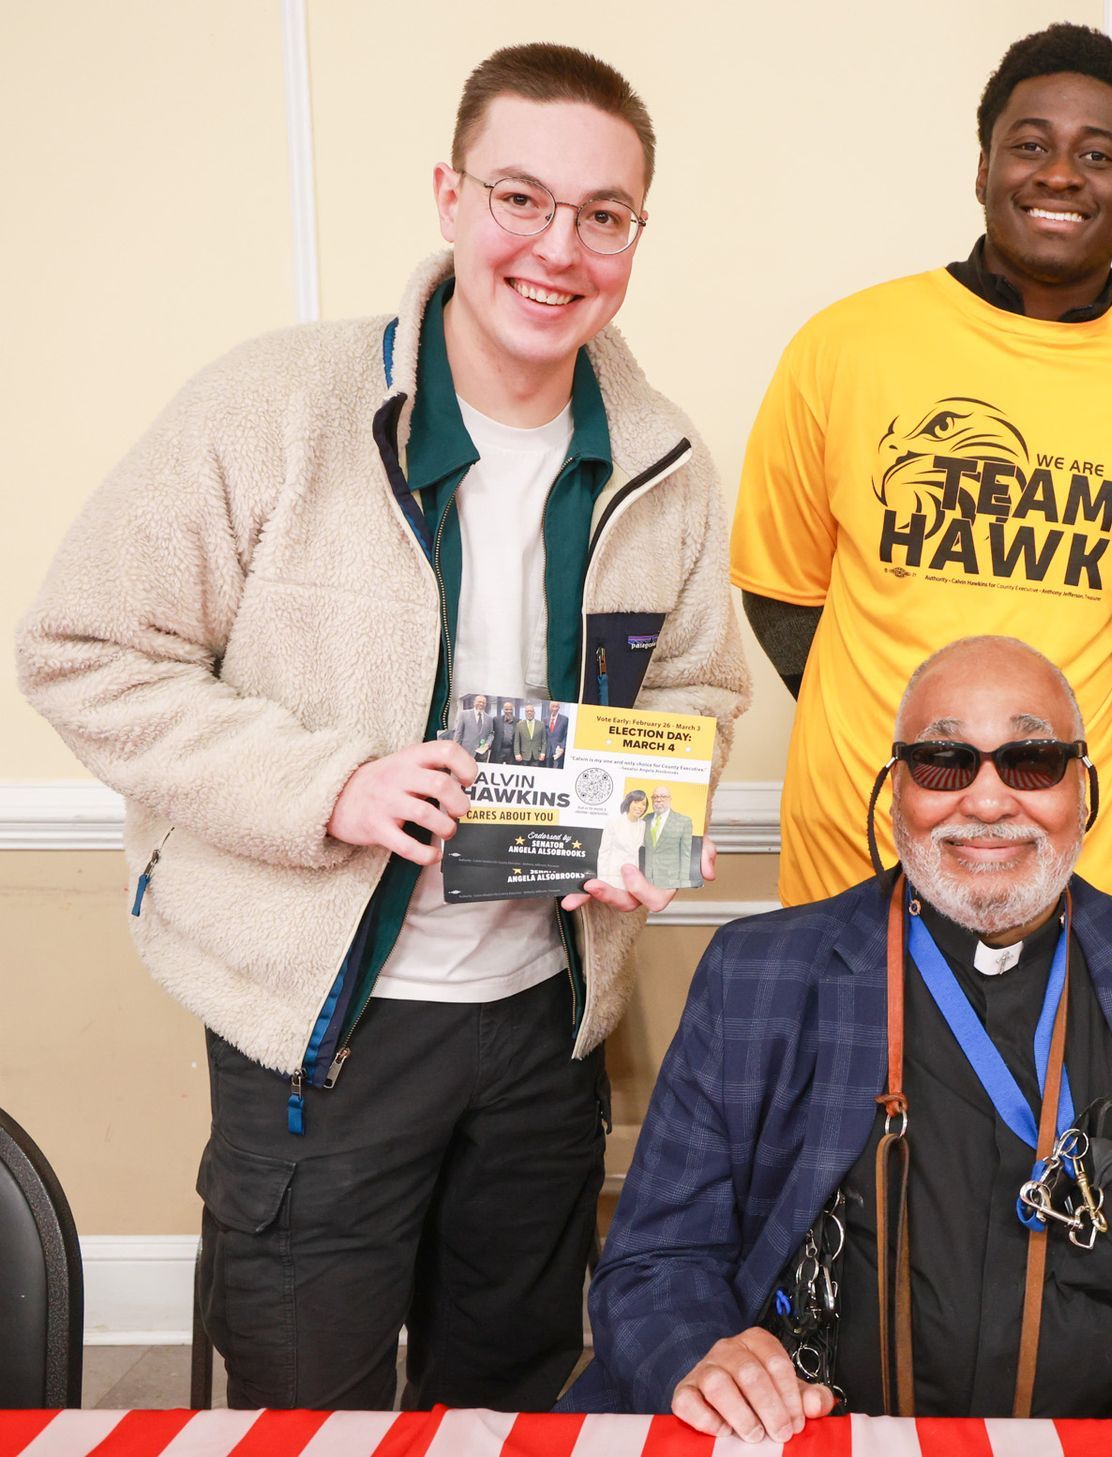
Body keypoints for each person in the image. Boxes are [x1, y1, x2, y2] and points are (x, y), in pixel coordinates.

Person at [15, 43, 749, 1410]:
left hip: (545, 1033)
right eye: (520, 197)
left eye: (604, 215)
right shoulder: (272, 408)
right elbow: (83, 649)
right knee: (311, 1411)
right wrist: (330, 786)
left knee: (515, 1399)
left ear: (635, 234)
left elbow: (699, 695)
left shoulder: (664, 457)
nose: (557, 248)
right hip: (324, 1032)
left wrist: (640, 821)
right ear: (450, 196)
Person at [565, 636, 1112, 1430]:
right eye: (945, 760)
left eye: (1031, 761)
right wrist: (705, 1355)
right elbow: (654, 1261)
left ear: (1082, 787)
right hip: (822, 1439)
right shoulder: (759, 976)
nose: (985, 801)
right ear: (896, 790)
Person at [731, 22, 1112, 911]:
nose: (1060, 173)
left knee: (1060, 1058)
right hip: (856, 853)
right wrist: (889, 736)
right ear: (983, 170)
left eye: (1097, 155)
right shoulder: (843, 347)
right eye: (1030, 145)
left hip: (1077, 865)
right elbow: (781, 592)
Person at [640, 783, 696, 889]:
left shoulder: (683, 821)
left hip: (670, 881)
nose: (658, 800)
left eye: (663, 796)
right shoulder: (646, 818)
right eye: (655, 797)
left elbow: (686, 854)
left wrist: (683, 882)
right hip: (647, 879)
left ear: (670, 799)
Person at [596, 789, 651, 885]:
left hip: (632, 878)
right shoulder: (614, 822)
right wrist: (602, 880)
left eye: (643, 804)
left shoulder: (643, 825)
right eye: (636, 802)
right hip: (613, 877)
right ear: (629, 802)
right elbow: (604, 853)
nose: (640, 807)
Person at [451, 693, 493, 758]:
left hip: (482, 754)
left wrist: (488, 744)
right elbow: (458, 733)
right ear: (474, 702)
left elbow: (491, 734)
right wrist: (455, 748)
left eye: (484, 703)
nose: (481, 704)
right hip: (466, 752)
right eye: (479, 702)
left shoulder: (489, 718)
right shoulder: (464, 714)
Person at [514, 700, 549, 765]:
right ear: (525, 713)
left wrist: (543, 753)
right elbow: (517, 741)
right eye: (527, 711)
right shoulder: (519, 725)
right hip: (524, 756)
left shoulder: (541, 724)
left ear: (534, 712)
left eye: (531, 711)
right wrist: (517, 753)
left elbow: (544, 741)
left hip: (537, 756)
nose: (529, 713)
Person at [491, 696, 522, 764]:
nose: (508, 711)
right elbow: (491, 734)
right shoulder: (496, 720)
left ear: (513, 710)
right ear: (503, 710)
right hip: (499, 750)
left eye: (510, 709)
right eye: (506, 709)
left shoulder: (518, 721)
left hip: (511, 751)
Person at [545, 699, 571, 768]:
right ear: (549, 707)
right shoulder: (545, 720)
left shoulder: (565, 719)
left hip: (558, 751)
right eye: (553, 706)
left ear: (559, 708)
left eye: (556, 707)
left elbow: (566, 735)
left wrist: (562, 747)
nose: (554, 709)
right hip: (547, 751)